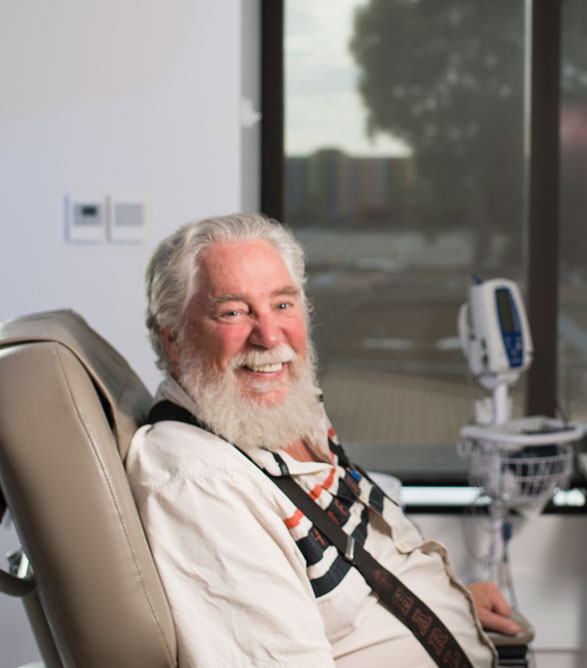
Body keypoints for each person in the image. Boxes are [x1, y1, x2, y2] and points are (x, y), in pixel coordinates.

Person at [127, 213, 521, 667]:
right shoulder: (199, 481)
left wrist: (442, 599)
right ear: (174, 338)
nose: (270, 336)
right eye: (233, 311)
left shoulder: (279, 412)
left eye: (282, 304)